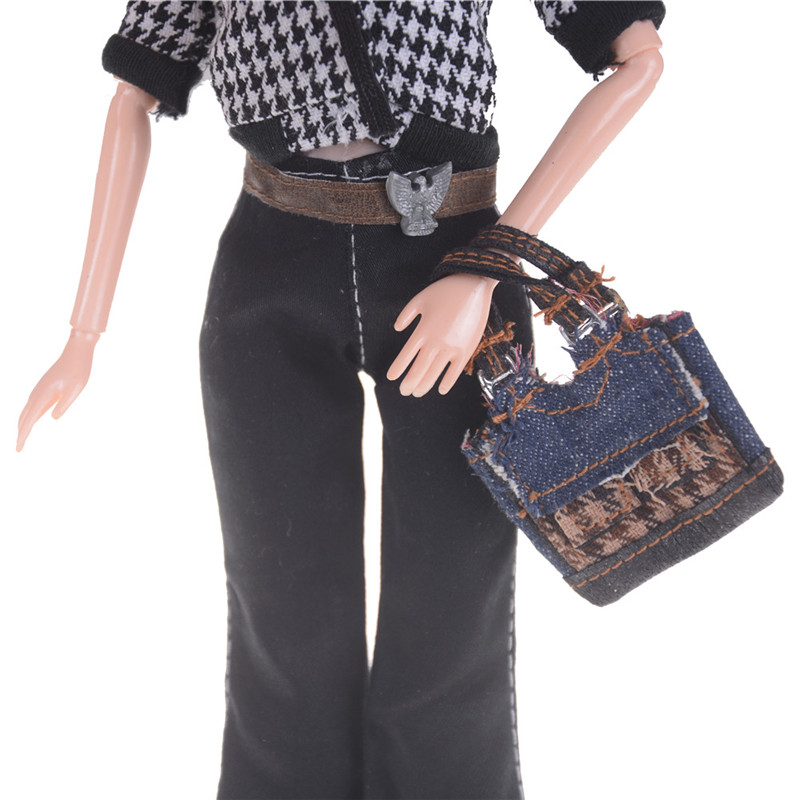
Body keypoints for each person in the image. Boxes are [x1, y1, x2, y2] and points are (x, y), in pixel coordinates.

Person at [16, 2, 666, 798]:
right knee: (279, 589)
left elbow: (640, 59)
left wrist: (487, 263)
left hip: (453, 265)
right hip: (272, 264)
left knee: (453, 590)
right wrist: (84, 331)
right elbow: (132, 95)